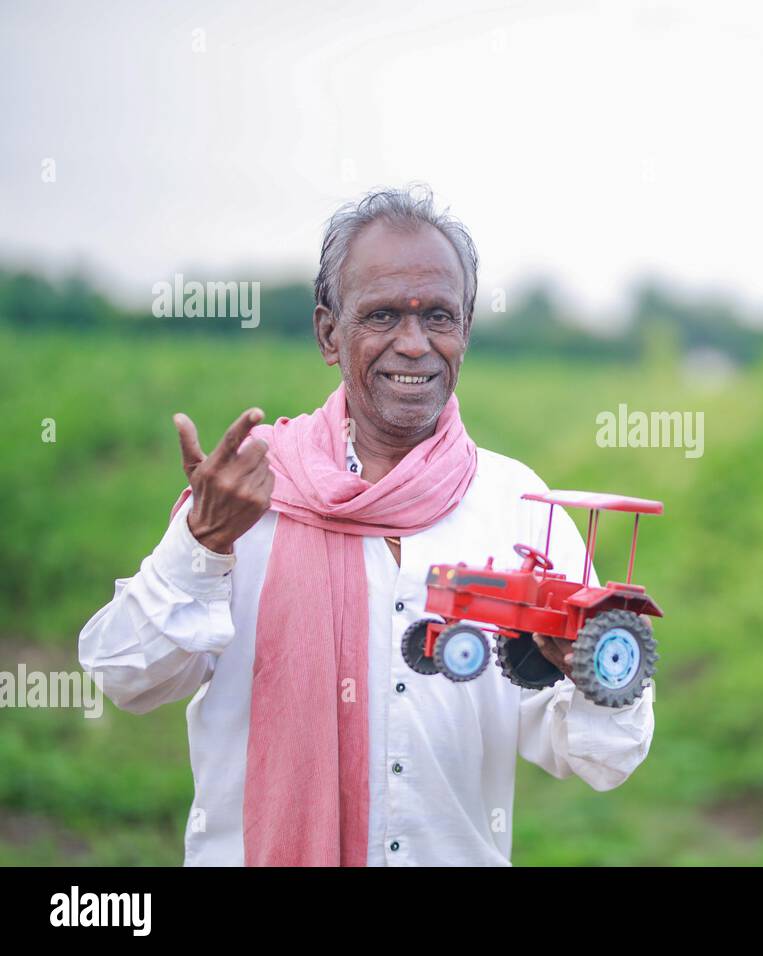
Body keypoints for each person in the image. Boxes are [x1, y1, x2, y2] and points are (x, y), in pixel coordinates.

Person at [78, 185, 655, 866]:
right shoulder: (250, 496)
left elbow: (601, 756)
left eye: (437, 316)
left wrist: (588, 673)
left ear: (464, 330)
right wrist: (201, 545)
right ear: (329, 332)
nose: (414, 345)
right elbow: (127, 678)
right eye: (382, 315)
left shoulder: (518, 502)